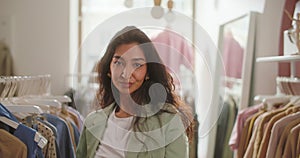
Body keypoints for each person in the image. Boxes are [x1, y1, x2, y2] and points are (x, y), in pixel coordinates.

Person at [76, 26, 194, 158]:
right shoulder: (92, 122)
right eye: (119, 62)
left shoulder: (168, 121)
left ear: (147, 72)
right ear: (109, 69)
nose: (126, 73)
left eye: (137, 65)